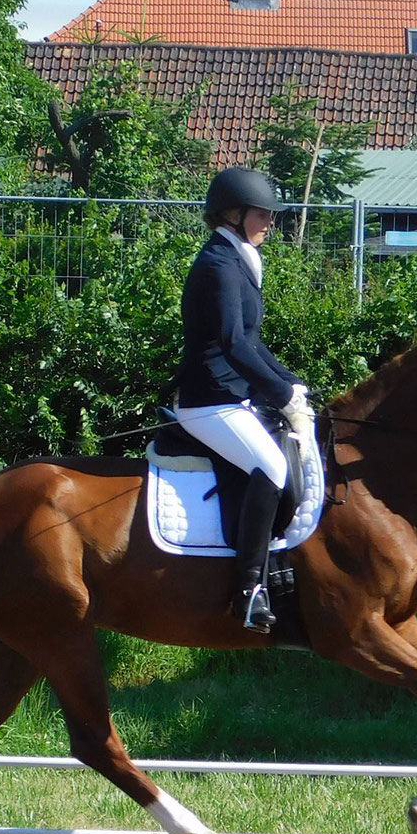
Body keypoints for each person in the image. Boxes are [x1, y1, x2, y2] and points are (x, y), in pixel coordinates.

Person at [174, 167, 311, 633]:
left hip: (233, 397)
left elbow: (253, 344)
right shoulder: (218, 266)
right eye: (263, 213)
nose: (270, 221)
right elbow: (233, 345)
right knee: (271, 468)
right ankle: (249, 590)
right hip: (208, 401)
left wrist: (291, 385)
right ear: (234, 215)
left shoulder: (238, 260)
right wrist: (278, 393)